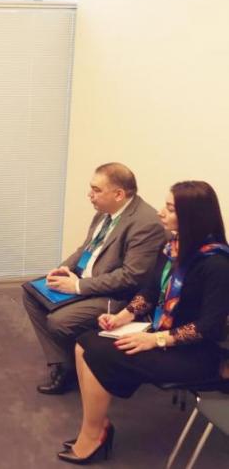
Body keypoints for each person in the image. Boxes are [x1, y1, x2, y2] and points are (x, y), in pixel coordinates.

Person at [58, 181, 229, 464]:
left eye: (170, 209)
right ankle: (97, 427)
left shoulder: (217, 263)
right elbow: (149, 292)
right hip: (161, 333)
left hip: (194, 353)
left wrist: (155, 339)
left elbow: (208, 327)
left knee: (97, 352)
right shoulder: (173, 247)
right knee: (84, 343)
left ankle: (93, 437)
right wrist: (121, 317)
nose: (161, 212)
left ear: (192, 216)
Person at [23, 163, 166, 394]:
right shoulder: (105, 212)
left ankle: (75, 368)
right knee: (32, 293)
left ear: (118, 194)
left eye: (96, 190)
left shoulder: (146, 223)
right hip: (85, 279)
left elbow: (131, 277)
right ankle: (64, 363)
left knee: (59, 322)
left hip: (116, 296)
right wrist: (62, 269)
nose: (90, 195)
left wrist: (78, 286)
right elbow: (85, 249)